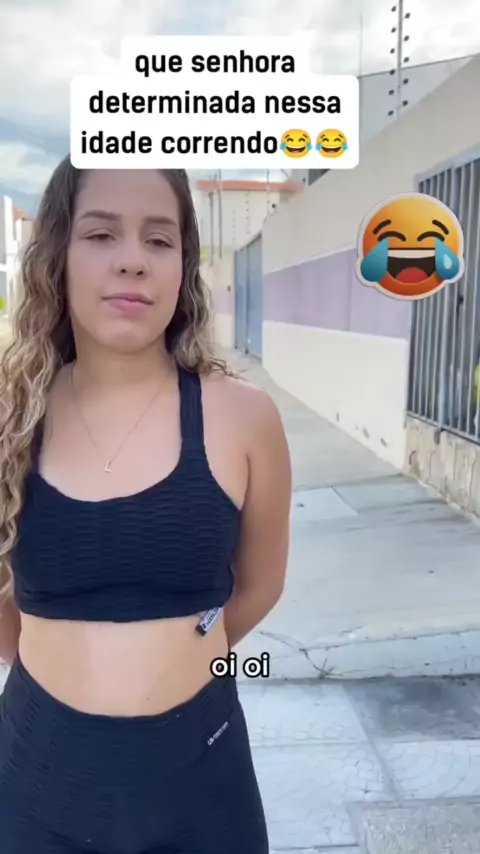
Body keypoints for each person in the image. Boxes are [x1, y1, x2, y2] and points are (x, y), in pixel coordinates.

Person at [0, 161, 291, 854]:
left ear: (183, 265)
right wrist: (61, 669)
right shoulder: (11, 417)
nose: (133, 260)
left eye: (159, 240)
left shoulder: (244, 418)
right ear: (57, 255)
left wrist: (180, 662)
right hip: (37, 780)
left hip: (202, 781)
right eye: (101, 234)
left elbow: (259, 587)